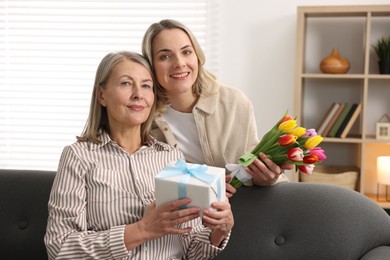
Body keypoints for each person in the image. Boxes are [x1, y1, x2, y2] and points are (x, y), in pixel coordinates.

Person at [44, 51, 233, 259]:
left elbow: (192, 252)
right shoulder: (78, 157)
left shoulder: (171, 157)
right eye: (126, 83)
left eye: (146, 86)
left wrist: (219, 231)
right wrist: (141, 230)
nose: (138, 94)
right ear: (101, 95)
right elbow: (60, 248)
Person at [141, 19, 292, 196]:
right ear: (150, 66)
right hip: (181, 214)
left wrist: (265, 176)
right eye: (165, 56)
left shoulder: (234, 103)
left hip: (240, 206)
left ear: (197, 56)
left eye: (186, 52)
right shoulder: (143, 115)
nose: (179, 63)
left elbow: (250, 162)